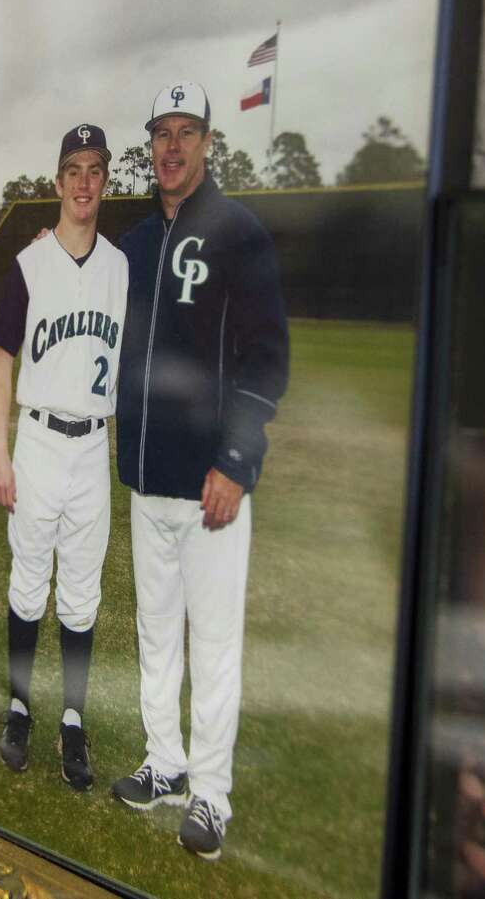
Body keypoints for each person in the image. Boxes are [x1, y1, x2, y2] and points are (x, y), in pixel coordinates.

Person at [110, 82, 290, 860]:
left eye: (187, 132)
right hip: (148, 476)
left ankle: (211, 794)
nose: (173, 146)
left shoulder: (239, 232)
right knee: (157, 630)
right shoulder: (139, 241)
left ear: (209, 143)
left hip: (211, 483)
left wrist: (237, 459)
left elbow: (268, 357)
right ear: (150, 146)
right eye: (162, 133)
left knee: (214, 642)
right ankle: (166, 760)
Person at [0, 124, 128, 791]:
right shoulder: (29, 263)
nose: (82, 181)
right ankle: (19, 707)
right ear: (56, 182)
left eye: (94, 169)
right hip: (38, 443)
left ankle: (73, 722)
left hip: (91, 446)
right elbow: (1, 360)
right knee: (26, 582)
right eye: (71, 168)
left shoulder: (121, 269)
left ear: (105, 180)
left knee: (80, 594)